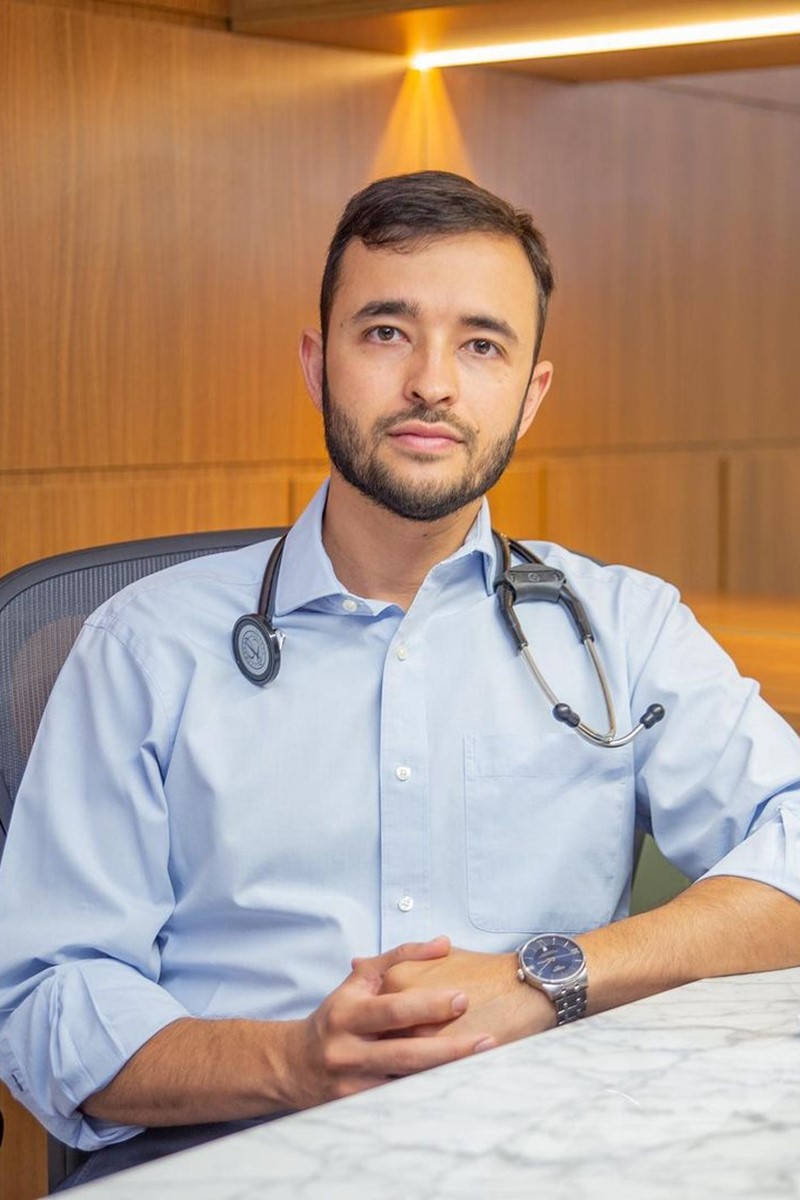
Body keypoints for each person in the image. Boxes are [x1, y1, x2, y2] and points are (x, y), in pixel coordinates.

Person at [1, 170, 800, 1187]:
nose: (431, 381)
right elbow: (46, 1003)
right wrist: (290, 1064)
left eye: (480, 344)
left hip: (541, 1152)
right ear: (315, 362)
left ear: (529, 391)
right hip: (228, 1153)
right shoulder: (141, 646)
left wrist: (541, 979)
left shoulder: (623, 626)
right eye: (385, 332)